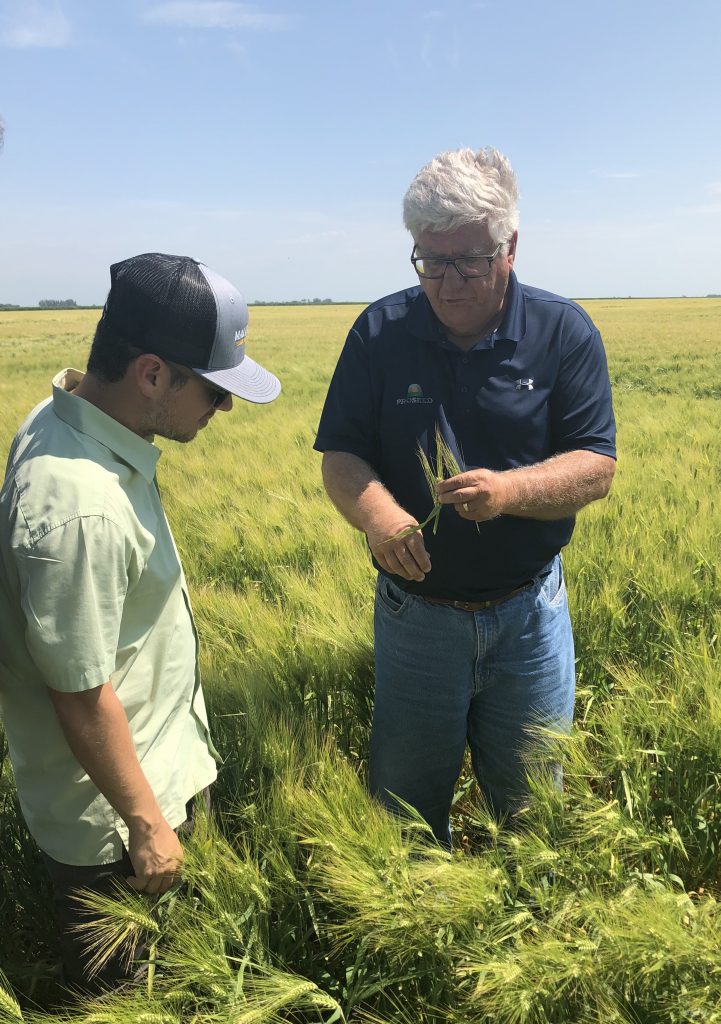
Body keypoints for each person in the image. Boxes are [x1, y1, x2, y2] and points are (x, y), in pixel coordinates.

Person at [315, 148, 616, 845]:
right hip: (416, 619)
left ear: (508, 246)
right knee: (406, 810)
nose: (446, 284)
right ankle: (415, 933)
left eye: (468, 262)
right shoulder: (379, 332)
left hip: (528, 616)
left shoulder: (561, 332)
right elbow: (341, 453)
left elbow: (595, 466)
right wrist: (379, 514)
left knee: (533, 806)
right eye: (428, 260)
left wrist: (509, 490)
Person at [0, 252, 280, 991]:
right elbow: (79, 691)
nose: (220, 412)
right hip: (117, 827)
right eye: (215, 393)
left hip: (156, 776)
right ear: (153, 374)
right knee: (128, 998)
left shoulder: (68, 415)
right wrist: (148, 824)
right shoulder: (82, 506)